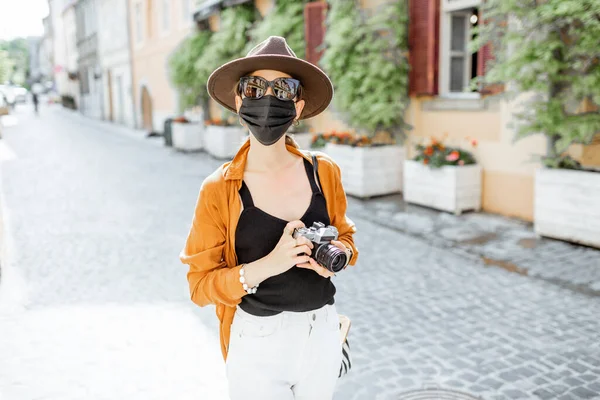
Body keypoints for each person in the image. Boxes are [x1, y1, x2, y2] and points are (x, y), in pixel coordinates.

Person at [179, 36, 359, 400]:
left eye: (284, 89)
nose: (268, 99)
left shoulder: (325, 172)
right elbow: (200, 287)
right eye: (255, 87)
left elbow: (348, 240)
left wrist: (335, 258)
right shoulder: (219, 189)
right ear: (238, 100)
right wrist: (269, 265)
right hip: (258, 343)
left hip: (321, 332)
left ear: (299, 105)